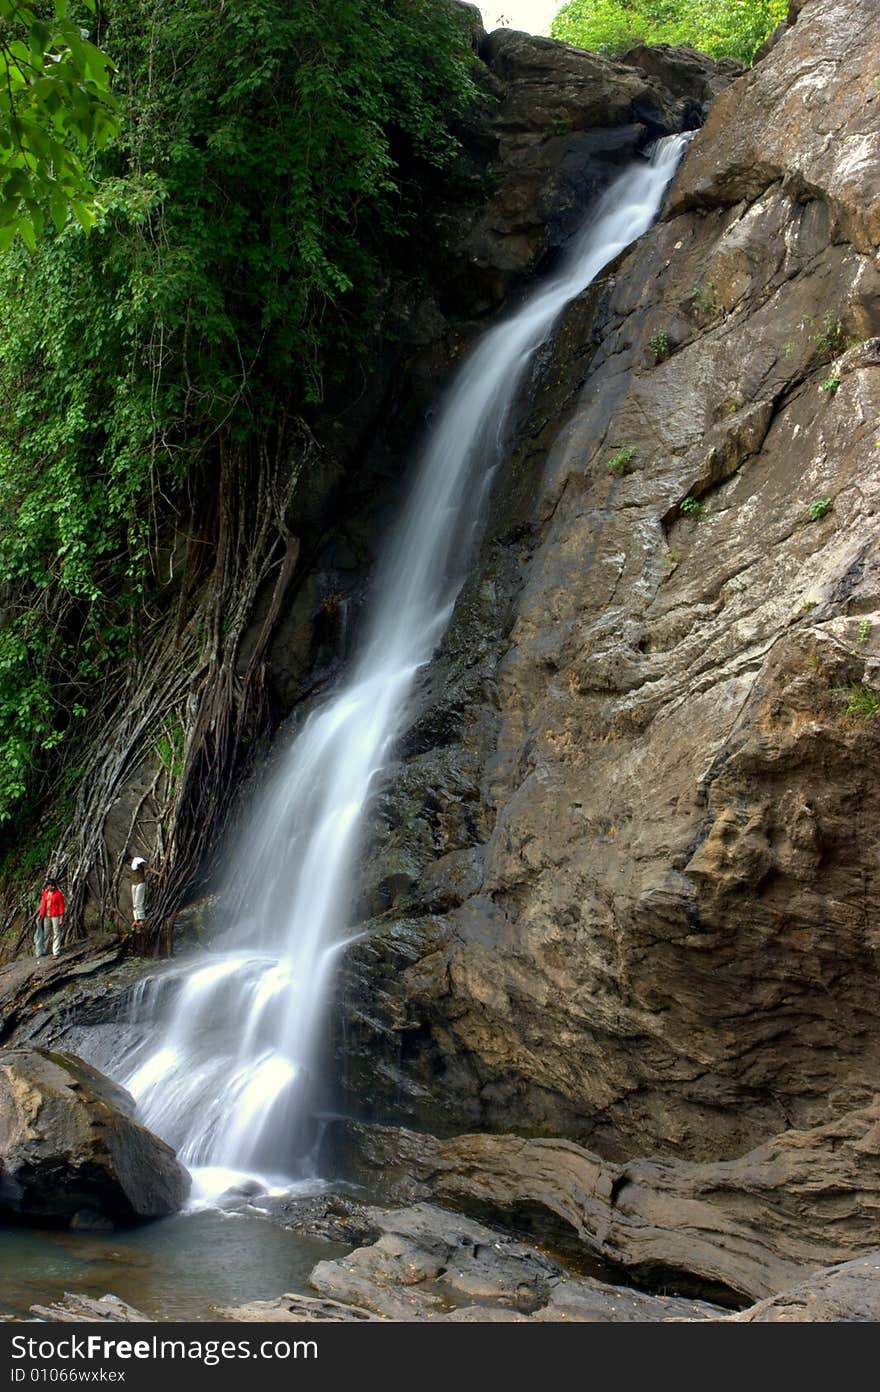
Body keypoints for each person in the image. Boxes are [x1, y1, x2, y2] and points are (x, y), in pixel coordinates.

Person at [127, 854, 161, 926]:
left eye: (127, 862)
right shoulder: (132, 864)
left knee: (139, 901)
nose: (128, 864)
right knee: (134, 903)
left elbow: (149, 868)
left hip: (140, 883)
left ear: (130, 860)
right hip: (134, 884)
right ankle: (136, 919)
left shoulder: (139, 861)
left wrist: (159, 874)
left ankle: (141, 919)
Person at [36, 878, 65, 958]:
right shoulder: (45, 893)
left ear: (54, 886)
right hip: (46, 915)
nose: (50, 887)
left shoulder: (58, 894)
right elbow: (43, 904)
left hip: (55, 915)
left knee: (56, 932)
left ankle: (56, 952)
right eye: (49, 885)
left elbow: (61, 905)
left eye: (51, 886)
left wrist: (61, 917)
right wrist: (40, 915)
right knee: (46, 932)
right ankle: (44, 950)